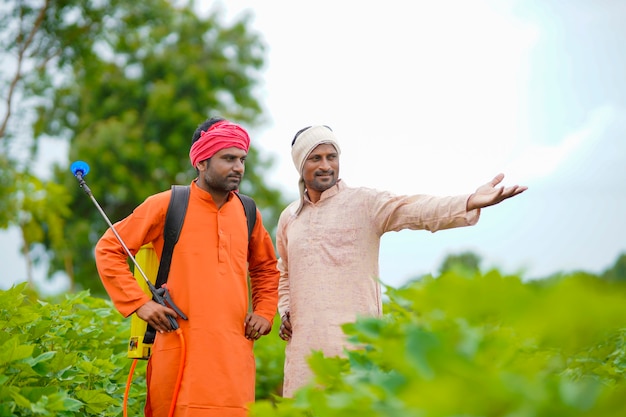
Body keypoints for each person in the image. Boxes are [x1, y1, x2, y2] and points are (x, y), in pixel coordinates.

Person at [276, 125, 528, 397]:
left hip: (355, 348)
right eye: (316, 158)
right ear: (300, 164)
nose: (326, 165)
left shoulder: (364, 203)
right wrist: (286, 311)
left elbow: (415, 209)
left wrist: (468, 201)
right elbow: (285, 273)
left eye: (331, 156)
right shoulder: (290, 217)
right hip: (304, 352)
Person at [95, 117, 280, 417]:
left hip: (234, 358)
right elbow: (109, 248)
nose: (238, 168)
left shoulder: (248, 212)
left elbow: (266, 268)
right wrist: (140, 304)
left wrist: (264, 311)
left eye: (242, 159)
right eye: (228, 158)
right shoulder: (167, 204)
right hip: (178, 352)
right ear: (202, 162)